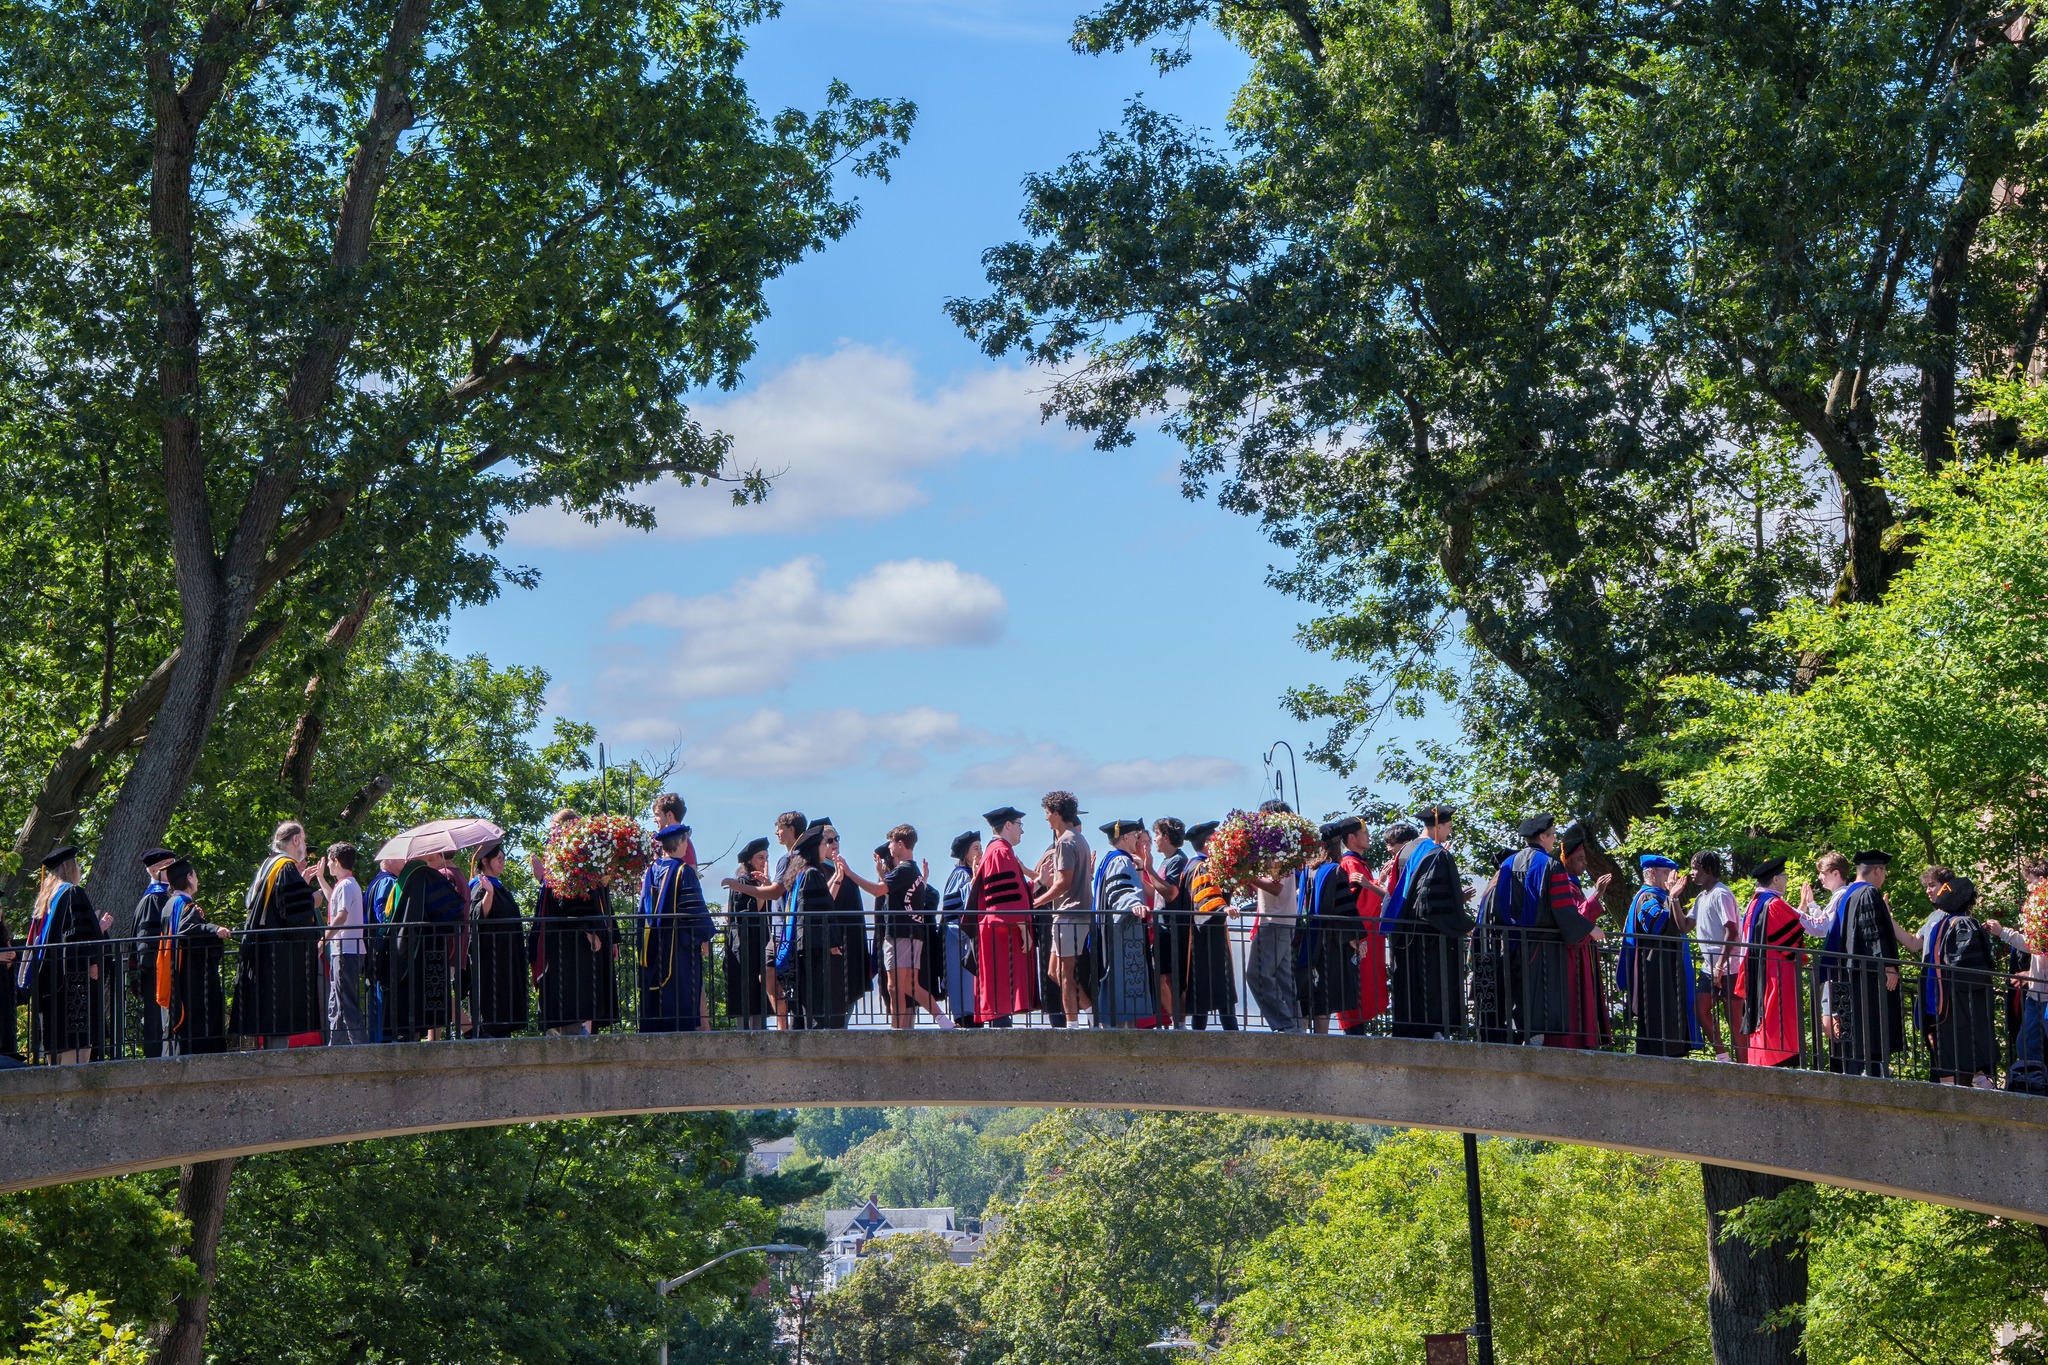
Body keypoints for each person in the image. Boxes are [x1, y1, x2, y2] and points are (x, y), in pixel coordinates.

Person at [1475, 814, 1590, 1046]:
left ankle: (1518, 1037)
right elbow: (1562, 909)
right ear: (1542, 836)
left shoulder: (1508, 864)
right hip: (1542, 944)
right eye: (1553, 835)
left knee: (1517, 990)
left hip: (1511, 940)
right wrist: (1588, 929)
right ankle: (1535, 1040)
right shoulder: (1551, 864)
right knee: (1540, 994)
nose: (1554, 839)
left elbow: (1498, 906)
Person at [839, 825, 952, 1030]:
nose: (890, 848)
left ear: (900, 844)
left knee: (894, 986)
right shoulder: (913, 870)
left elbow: (877, 891)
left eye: (891, 843)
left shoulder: (903, 870)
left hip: (900, 934)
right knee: (911, 985)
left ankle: (897, 1032)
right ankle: (944, 1022)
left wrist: (849, 872)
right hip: (913, 934)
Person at [529, 810, 622, 1035]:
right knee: (574, 1000)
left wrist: (607, 935)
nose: (552, 836)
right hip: (568, 940)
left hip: (577, 942)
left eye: (555, 831)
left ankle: (585, 1033)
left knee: (582, 997)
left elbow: (589, 900)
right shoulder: (567, 858)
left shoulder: (578, 858)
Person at [232, 822, 323, 1050]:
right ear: (295, 840)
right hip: (280, 955)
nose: (304, 844)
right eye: (303, 839)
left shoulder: (268, 865)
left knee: (271, 1016)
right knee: (279, 1013)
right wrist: (313, 901)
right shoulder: (285, 867)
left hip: (263, 948)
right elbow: (292, 911)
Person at [1383, 806, 1472, 1039]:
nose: (1449, 832)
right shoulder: (1437, 854)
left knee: (1408, 983)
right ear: (1438, 826)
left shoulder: (1404, 851)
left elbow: (1393, 893)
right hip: (1430, 938)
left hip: (1403, 935)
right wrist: (1462, 924)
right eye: (1448, 828)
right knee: (1430, 983)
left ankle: (1405, 1027)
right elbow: (1433, 904)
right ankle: (1434, 1029)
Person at [19, 846, 106, 1064]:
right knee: (75, 1038)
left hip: (48, 980)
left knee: (53, 1033)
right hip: (72, 984)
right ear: (69, 867)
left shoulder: (45, 899)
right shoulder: (72, 893)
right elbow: (78, 934)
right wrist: (93, 961)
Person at [1824, 850, 1903, 1077]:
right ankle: (1875, 1072)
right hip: (1869, 976)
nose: (1884, 875)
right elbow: (1873, 932)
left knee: (1857, 1030)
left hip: (1851, 974)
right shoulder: (1868, 892)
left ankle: (1858, 1072)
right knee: (1873, 1028)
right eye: (1884, 870)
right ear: (1877, 870)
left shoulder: (1847, 894)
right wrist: (1888, 966)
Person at [1920, 869, 1998, 1088]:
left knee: (1949, 1059)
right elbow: (1970, 969)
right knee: (1965, 1056)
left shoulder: (1941, 925)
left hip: (1940, 1002)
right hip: (1961, 1006)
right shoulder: (1964, 924)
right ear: (1969, 903)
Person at [1616, 854, 1698, 1057]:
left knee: (1671, 1012)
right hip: (1655, 969)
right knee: (1660, 1015)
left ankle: (1675, 1051)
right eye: (1666, 873)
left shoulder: (1661, 896)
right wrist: (1672, 898)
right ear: (1651, 873)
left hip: (1668, 968)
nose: (1672, 878)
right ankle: (1663, 1054)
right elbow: (1657, 925)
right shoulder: (1647, 897)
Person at [1733, 858, 1812, 1068]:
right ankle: (1778, 1060)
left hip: (1758, 970)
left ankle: (1763, 1060)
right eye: (1784, 877)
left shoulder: (1754, 903)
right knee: (1774, 1016)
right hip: (1775, 972)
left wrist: (1801, 907)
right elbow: (1790, 939)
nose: (1786, 880)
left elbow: (1782, 928)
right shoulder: (1774, 904)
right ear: (1775, 879)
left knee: (1761, 1016)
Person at [639, 823, 715, 1032]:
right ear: (681, 842)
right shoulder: (683, 871)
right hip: (678, 947)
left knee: (655, 994)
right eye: (686, 840)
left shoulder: (651, 871)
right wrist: (704, 936)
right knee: (680, 992)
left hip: (653, 943)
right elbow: (694, 910)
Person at [384, 851, 468, 1041]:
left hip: (403, 948)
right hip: (427, 950)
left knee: (409, 1002)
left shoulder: (403, 879)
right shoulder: (426, 875)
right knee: (424, 998)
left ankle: (410, 1037)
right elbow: (453, 914)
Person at [968, 806, 1038, 1027]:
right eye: (1020, 825)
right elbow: (1005, 899)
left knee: (1000, 992)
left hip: (998, 929)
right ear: (1008, 825)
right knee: (1001, 990)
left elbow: (1012, 890)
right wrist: (1024, 928)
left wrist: (1040, 882)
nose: (1022, 831)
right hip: (1002, 932)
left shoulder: (995, 851)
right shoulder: (1001, 852)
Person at [781, 823, 856, 1029]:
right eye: (824, 843)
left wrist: (838, 880)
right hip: (817, 946)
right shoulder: (813, 873)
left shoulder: (802, 873)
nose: (827, 848)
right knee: (819, 994)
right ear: (816, 847)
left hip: (804, 943)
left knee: (808, 994)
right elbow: (821, 912)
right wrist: (832, 941)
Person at [156, 860, 231, 1055]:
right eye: (195, 875)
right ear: (189, 877)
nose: (197, 880)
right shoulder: (185, 904)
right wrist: (214, 929)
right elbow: (187, 931)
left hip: (177, 975)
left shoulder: (170, 904)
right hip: (194, 979)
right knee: (199, 1024)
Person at [1091, 820, 1162, 1027]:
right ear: (1125, 837)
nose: (1138, 838)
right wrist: (1133, 904)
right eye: (1135, 835)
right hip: (1122, 934)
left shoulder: (1109, 859)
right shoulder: (1121, 862)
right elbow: (1121, 890)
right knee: (1123, 984)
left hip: (1110, 931)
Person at [1243, 800, 1305, 1034]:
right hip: (1284, 920)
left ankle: (1285, 1024)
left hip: (1275, 921)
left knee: (1256, 975)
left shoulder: (1279, 850)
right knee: (1283, 978)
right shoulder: (1286, 848)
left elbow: (1277, 887)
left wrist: (1245, 876)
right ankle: (1295, 1025)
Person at [1033, 791, 1094, 1026]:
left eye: (1047, 813)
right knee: (1054, 971)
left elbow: (1064, 882)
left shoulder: (1066, 841)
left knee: (1066, 973)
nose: (1046, 818)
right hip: (1072, 914)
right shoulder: (1077, 839)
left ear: (1056, 813)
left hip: (1070, 914)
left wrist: (1038, 901)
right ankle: (1089, 1012)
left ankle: (1072, 1025)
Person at [1986, 858, 2048, 1084]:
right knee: (2025, 1043)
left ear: (2043, 881)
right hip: (2035, 993)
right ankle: (2035, 1086)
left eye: (2031, 883)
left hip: (2046, 994)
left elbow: (2034, 944)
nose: (2029, 888)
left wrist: (2004, 933)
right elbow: (2036, 945)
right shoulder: (2039, 913)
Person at [1307, 818, 1372, 1035]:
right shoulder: (1335, 871)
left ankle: (1307, 1038)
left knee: (1312, 991)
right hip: (1332, 943)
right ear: (1337, 844)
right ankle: (1321, 1040)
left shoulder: (1310, 871)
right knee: (1327, 993)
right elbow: (1342, 909)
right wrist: (1355, 938)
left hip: (1310, 939)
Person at [1551, 823, 1612, 1049]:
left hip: (1581, 953)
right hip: (1572, 955)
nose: (1585, 865)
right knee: (1576, 998)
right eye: (1580, 860)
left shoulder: (1574, 885)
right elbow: (1575, 920)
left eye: (1585, 860)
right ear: (1566, 860)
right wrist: (1596, 895)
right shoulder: (1565, 885)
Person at [1179, 820, 1238, 1030]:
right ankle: (1232, 1035)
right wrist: (1222, 909)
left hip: (1196, 936)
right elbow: (1206, 898)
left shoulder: (1190, 866)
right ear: (1208, 843)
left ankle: (1200, 1037)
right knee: (1219, 989)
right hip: (1208, 938)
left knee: (1201, 994)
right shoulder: (1203, 867)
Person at [468, 841, 529, 1038]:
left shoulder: (498, 886)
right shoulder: (480, 886)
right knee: (493, 1005)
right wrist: (489, 893)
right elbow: (478, 916)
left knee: (507, 1003)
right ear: (485, 861)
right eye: (499, 859)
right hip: (491, 958)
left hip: (506, 955)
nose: (503, 863)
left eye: (504, 859)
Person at [1687, 851, 1742, 1062]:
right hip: (1709, 967)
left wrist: (1720, 965)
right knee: (1700, 1010)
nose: (1692, 873)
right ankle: (1723, 1057)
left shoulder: (1721, 894)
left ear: (1708, 870)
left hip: (1730, 968)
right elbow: (1684, 925)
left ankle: (1744, 1067)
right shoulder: (1702, 897)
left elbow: (1732, 930)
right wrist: (1673, 897)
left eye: (1695, 868)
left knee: (1734, 1021)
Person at [316, 842, 369, 1045]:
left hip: (347, 950)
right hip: (344, 950)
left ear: (336, 861)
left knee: (345, 1001)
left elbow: (341, 915)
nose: (328, 866)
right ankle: (335, 1045)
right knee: (336, 1002)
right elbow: (334, 902)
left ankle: (359, 1046)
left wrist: (323, 941)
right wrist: (320, 878)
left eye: (329, 861)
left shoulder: (347, 885)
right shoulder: (345, 884)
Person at [723, 837, 777, 1031]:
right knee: (747, 992)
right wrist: (763, 889)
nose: (764, 862)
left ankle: (759, 1029)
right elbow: (752, 911)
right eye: (760, 858)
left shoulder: (762, 882)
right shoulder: (743, 882)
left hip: (761, 943)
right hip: (745, 945)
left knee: (760, 994)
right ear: (749, 860)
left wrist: (767, 886)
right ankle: (746, 1031)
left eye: (766, 858)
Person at [130, 848, 179, 1059]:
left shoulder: (166, 897)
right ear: (153, 870)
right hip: (157, 973)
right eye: (170, 865)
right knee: (157, 1021)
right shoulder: (153, 900)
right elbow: (147, 944)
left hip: (163, 971)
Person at [360, 855, 402, 1044]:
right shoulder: (388, 881)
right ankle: (383, 1042)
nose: (406, 861)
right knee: (383, 997)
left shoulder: (375, 882)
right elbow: (383, 913)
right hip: (382, 948)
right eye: (402, 858)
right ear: (389, 860)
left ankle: (379, 1040)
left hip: (374, 949)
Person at [940, 831, 981, 1028]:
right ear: (965, 853)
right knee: (964, 990)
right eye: (976, 848)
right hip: (959, 940)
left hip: (966, 940)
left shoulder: (972, 874)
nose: (980, 851)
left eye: (981, 847)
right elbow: (956, 909)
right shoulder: (961, 875)